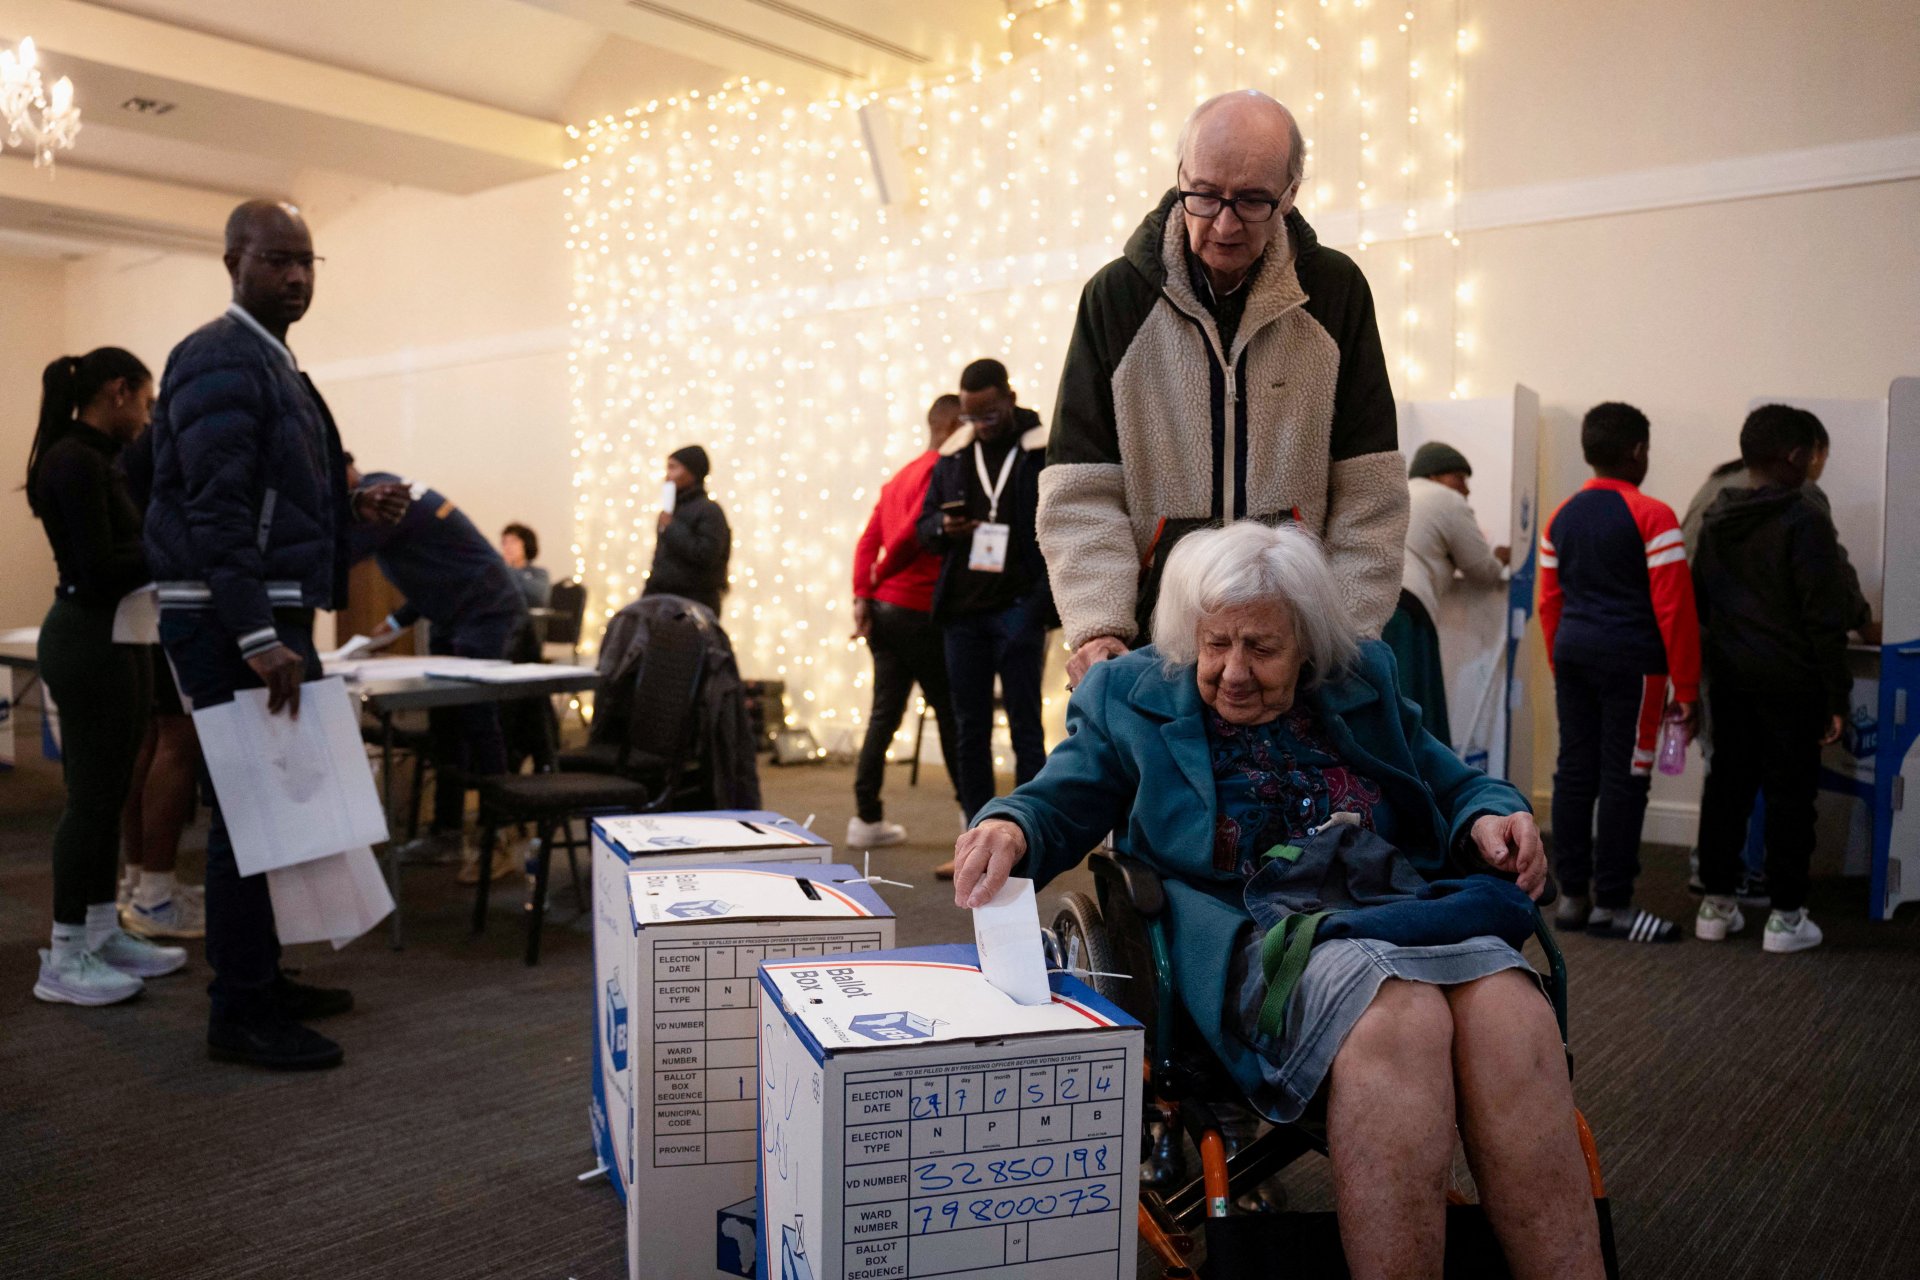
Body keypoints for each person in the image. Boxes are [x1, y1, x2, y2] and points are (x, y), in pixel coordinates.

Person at [953, 521, 1604, 1279]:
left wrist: (1491, 811)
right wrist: (1010, 821)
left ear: (1308, 644)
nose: (1233, 670)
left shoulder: (1362, 680)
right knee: (1403, 1017)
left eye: (1260, 648)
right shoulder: (1127, 697)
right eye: (1215, 643)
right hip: (1256, 933)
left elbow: (1450, 781)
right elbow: (1060, 798)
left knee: (1510, 1009)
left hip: (1392, 903)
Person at [145, 199, 408, 1069]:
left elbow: (261, 496)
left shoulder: (269, 361)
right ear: (234, 261)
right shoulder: (220, 355)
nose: (296, 277)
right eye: (276, 261)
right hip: (232, 617)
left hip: (258, 607)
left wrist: (347, 503)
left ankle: (262, 974)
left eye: (306, 262)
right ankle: (240, 1008)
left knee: (280, 804)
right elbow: (215, 509)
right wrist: (257, 631)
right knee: (250, 813)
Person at [1041, 89, 1407, 691]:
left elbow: (1370, 492)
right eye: (1204, 196)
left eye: (1254, 201)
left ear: (1291, 194)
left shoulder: (1336, 292)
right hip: (1150, 646)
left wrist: (1343, 631)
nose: (1225, 223)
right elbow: (1080, 489)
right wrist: (1099, 625)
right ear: (1179, 177)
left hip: (1291, 651)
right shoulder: (1115, 299)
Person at [25, 347, 188, 1005]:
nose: (148, 419)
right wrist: (175, 549)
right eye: (145, 404)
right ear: (118, 392)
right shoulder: (73, 460)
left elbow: (123, 555)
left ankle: (99, 931)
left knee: (110, 788)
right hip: (89, 636)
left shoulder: (97, 459)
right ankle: (64, 957)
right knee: (90, 801)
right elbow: (97, 568)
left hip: (117, 635)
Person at [1691, 406, 1858, 954]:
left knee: (1726, 790)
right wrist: (1837, 695)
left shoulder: (1717, 517)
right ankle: (1786, 919)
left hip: (1730, 677)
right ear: (1795, 456)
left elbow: (1700, 603)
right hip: (1791, 682)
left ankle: (1716, 908)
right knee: (1791, 797)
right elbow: (1822, 615)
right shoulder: (1805, 518)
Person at [1539, 402, 1700, 942]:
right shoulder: (1655, 515)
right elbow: (1674, 608)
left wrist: (1559, 660)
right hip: (1635, 666)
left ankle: (1572, 900)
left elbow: (1549, 602)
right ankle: (1615, 906)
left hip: (1574, 656)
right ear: (1638, 452)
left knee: (1574, 773)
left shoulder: (1560, 517)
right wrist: (1687, 687)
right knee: (1625, 777)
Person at [353, 464, 532, 883]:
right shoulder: (393, 499)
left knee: (479, 721)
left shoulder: (386, 500)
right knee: (447, 726)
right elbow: (437, 568)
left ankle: (501, 837)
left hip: (486, 612)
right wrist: (396, 623)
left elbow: (341, 553)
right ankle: (449, 834)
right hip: (454, 615)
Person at [916, 359, 1054, 861]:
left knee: (1025, 725)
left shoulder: (1041, 449)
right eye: (973, 417)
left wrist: (1038, 606)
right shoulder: (954, 456)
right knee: (968, 726)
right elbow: (923, 525)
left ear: (1010, 399)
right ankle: (974, 839)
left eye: (990, 414)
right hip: (962, 613)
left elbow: (1060, 524)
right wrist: (941, 530)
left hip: (1019, 606)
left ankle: (1032, 837)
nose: (982, 425)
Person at [848, 395, 964, 848]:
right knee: (953, 715)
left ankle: (866, 819)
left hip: (883, 611)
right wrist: (882, 574)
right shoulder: (942, 471)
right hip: (919, 609)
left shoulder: (900, 476)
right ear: (953, 423)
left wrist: (864, 592)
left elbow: (867, 541)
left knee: (883, 715)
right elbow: (910, 535)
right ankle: (972, 817)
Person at [115, 423, 206, 940]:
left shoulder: (128, 453)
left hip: (143, 610)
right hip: (172, 602)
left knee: (149, 742)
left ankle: (140, 882)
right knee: (177, 741)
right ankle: (155, 894)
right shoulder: (169, 441)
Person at [1382, 442, 1510, 745]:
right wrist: (1502, 557)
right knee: (1415, 714)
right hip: (1407, 612)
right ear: (1435, 475)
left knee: (1386, 713)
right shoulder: (1447, 499)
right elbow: (1482, 571)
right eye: (1460, 478)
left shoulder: (1399, 492)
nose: (1465, 489)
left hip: (1376, 606)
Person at [644, 445, 731, 616]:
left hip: (693, 607)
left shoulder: (710, 511)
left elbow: (706, 554)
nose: (667, 475)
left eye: (673, 467)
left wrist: (671, 527)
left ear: (693, 472)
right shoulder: (672, 511)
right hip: (661, 602)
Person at [500, 521, 551, 609]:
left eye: (513, 541)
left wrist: (507, 570)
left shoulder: (540, 573)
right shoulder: (499, 573)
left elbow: (539, 596)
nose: (508, 547)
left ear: (526, 544)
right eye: (504, 542)